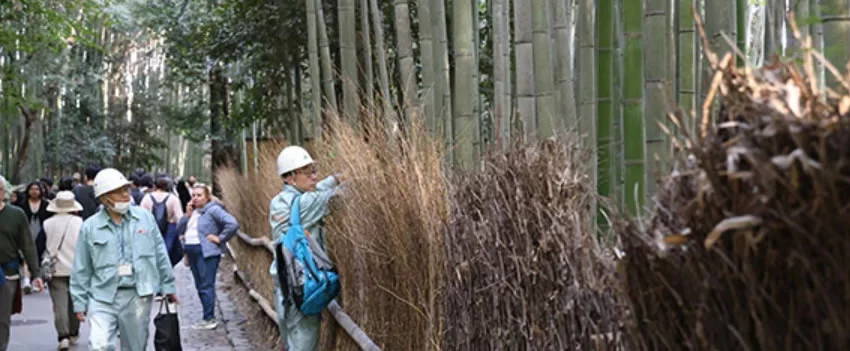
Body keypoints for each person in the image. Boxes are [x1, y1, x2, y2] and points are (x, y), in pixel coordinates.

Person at [70, 168, 178, 351]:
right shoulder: (90, 227)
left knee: (135, 347)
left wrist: (168, 286)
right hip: (102, 295)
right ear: (105, 198)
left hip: (137, 295)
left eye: (126, 189)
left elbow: (160, 253)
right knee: (99, 345)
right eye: (119, 191)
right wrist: (79, 300)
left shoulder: (144, 218)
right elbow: (81, 266)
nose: (126, 195)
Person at [269, 146, 342, 350]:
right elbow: (337, 197)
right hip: (303, 288)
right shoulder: (305, 204)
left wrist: (335, 177)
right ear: (291, 177)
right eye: (308, 172)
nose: (315, 176)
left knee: (291, 343)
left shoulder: (279, 201)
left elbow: (317, 188)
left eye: (314, 170)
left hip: (285, 289)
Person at [176, 184, 239, 330]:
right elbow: (180, 229)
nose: (195, 198)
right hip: (191, 251)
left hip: (206, 251)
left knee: (206, 284)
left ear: (207, 197)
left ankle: (209, 318)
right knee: (199, 285)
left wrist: (220, 238)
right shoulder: (193, 212)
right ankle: (206, 315)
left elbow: (232, 223)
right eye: (193, 195)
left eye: (199, 195)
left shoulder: (213, 210)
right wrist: (187, 215)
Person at [0, 175, 43, 351]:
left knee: (2, 317)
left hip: (7, 272)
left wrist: (36, 274)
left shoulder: (16, 214)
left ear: (3, 192)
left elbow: (27, 245)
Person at [43, 191, 83, 350]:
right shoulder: (80, 222)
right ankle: (73, 332)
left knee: (59, 305)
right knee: (75, 303)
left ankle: (63, 336)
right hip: (77, 268)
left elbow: (40, 246)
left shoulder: (47, 223)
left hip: (56, 269)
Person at [16, 181, 52, 293]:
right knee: (27, 256)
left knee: (39, 256)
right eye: (32, 189)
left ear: (41, 191)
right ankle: (26, 280)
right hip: (26, 232)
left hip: (41, 232)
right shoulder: (22, 204)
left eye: (37, 189)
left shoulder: (46, 205)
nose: (34, 191)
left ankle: (37, 280)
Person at [140, 177, 185, 266]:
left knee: (153, 250)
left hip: (150, 226)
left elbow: (141, 215)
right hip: (170, 227)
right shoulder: (173, 198)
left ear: (155, 185)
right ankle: (166, 268)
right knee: (167, 250)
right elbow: (179, 217)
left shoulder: (147, 197)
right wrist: (181, 232)